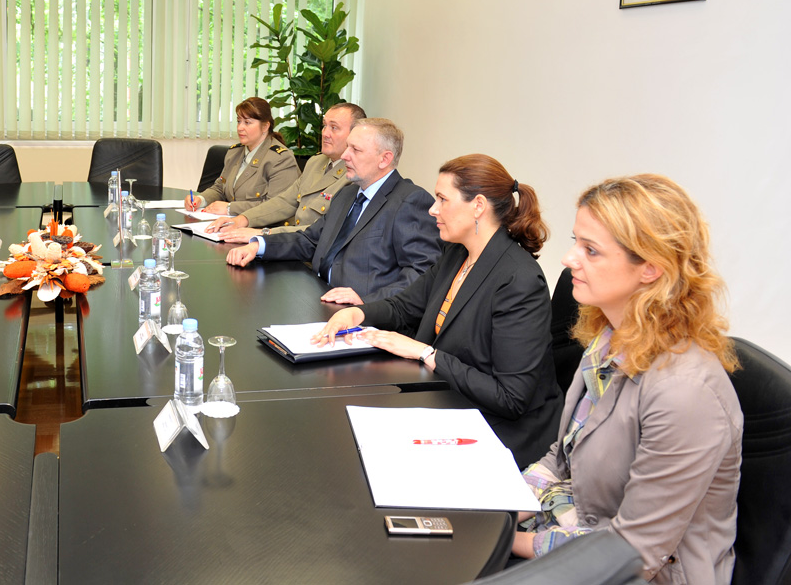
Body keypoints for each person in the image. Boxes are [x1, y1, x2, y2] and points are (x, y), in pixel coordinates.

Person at [511, 175, 742, 584]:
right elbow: (562, 458)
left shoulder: (686, 392)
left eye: (591, 250)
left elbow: (633, 552)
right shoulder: (609, 338)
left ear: (650, 268)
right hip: (573, 528)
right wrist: (503, 505)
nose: (568, 258)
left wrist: (508, 540)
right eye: (577, 242)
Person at [312, 154, 561, 466]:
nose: (432, 209)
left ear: (478, 206)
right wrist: (357, 314)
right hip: (450, 399)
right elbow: (405, 306)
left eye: (442, 199)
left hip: (502, 431)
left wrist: (426, 353)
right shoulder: (457, 253)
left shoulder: (519, 280)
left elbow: (510, 398)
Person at [226, 118, 440, 304]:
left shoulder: (410, 201)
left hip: (363, 315)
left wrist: (367, 300)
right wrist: (259, 245)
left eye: (355, 150)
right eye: (347, 147)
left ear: (384, 159)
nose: (345, 155)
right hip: (318, 296)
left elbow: (423, 273)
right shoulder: (347, 194)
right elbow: (310, 240)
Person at [206, 102, 365, 241]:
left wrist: (263, 234)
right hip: (293, 242)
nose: (325, 133)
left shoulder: (355, 176)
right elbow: (285, 201)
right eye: (324, 126)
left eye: (334, 127)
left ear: (355, 134)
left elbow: (322, 231)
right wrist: (242, 220)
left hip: (311, 251)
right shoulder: (316, 162)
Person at [185, 96, 299, 216]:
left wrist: (230, 208)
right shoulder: (234, 152)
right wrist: (201, 200)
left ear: (265, 126)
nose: (240, 128)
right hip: (232, 221)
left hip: (265, 225)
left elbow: (276, 206)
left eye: (247, 122)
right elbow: (220, 188)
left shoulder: (280, 159)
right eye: (239, 121)